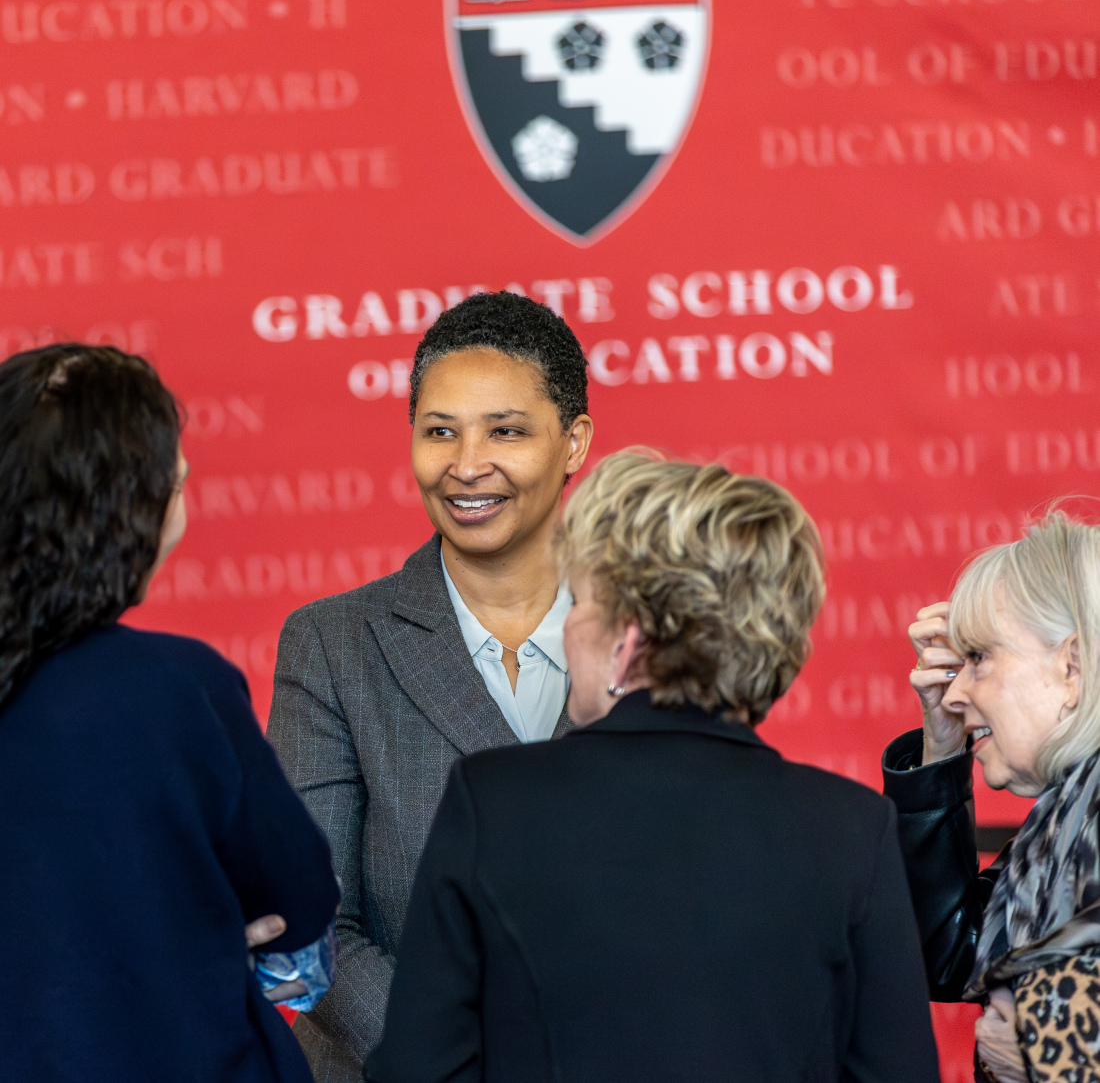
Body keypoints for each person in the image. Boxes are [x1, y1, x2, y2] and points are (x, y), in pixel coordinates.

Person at [365, 452, 941, 1083]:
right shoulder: (853, 829)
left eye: (578, 602)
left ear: (629, 639)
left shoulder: (493, 800)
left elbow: (418, 1068)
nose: (565, 629)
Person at [267, 291, 595, 1080]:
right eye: (440, 431)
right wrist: (463, 1064)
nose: (467, 464)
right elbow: (311, 922)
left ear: (574, 442)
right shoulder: (332, 644)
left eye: (506, 431)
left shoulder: (648, 637)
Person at [0, 343, 341, 1083]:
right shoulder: (177, 689)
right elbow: (301, 904)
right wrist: (196, 939)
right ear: (128, 514)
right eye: (176, 483)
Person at [884, 513, 1100, 1082]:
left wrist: (1045, 1048)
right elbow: (952, 955)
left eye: (978, 658)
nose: (953, 692)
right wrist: (941, 746)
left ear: (1072, 666)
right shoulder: (1063, 816)